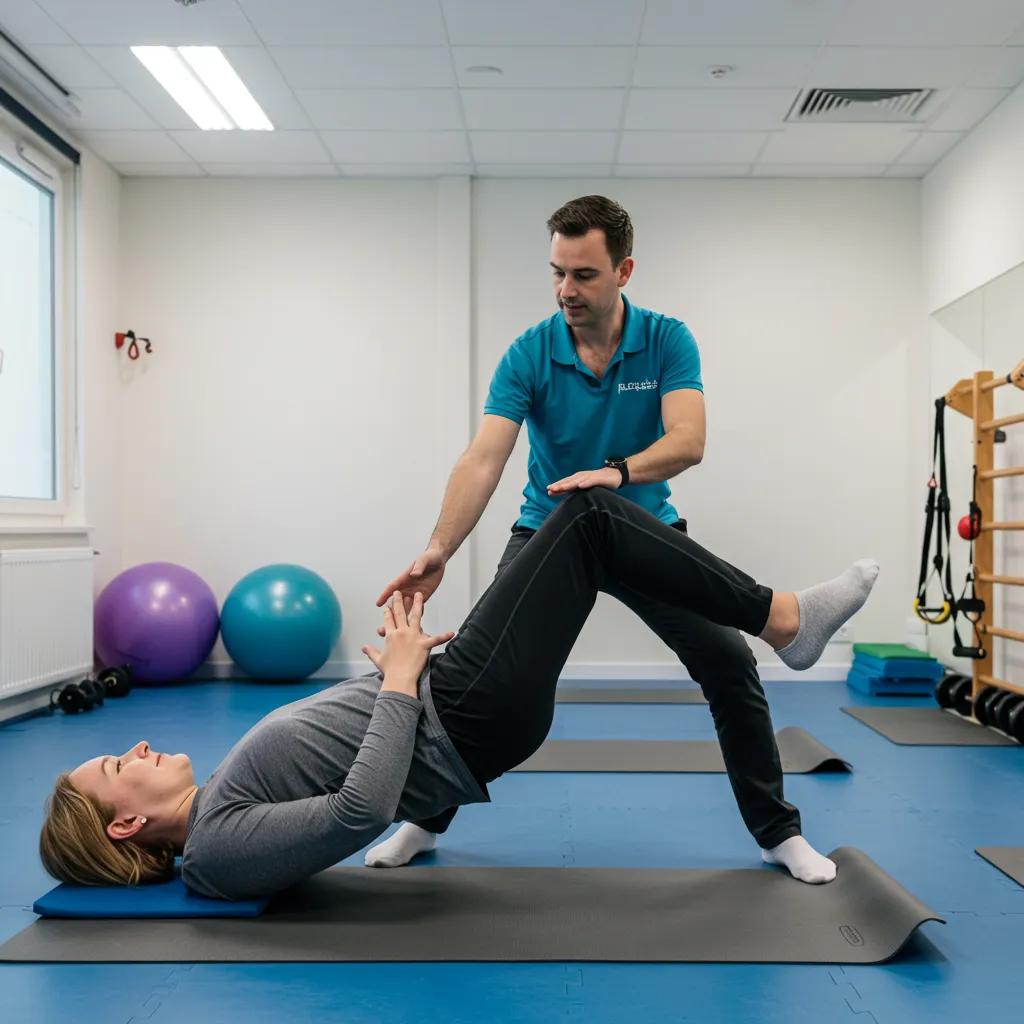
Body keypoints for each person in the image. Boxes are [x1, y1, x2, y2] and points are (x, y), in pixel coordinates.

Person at [40, 485, 879, 900]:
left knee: (598, 530)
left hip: (448, 701)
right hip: (463, 714)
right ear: (125, 825)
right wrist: (402, 682)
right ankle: (784, 621)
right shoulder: (218, 854)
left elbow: (345, 767)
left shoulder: (218, 812)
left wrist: (397, 670)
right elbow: (357, 812)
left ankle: (776, 636)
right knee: (590, 517)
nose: (136, 747)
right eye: (118, 764)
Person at [371, 195, 839, 883]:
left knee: (729, 666)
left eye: (584, 274)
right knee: (479, 686)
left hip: (648, 535)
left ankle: (778, 833)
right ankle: (425, 819)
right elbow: (483, 458)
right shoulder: (530, 352)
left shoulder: (666, 339)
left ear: (624, 271)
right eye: (557, 272)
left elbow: (689, 440)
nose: (566, 289)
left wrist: (616, 473)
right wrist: (440, 546)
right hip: (545, 534)